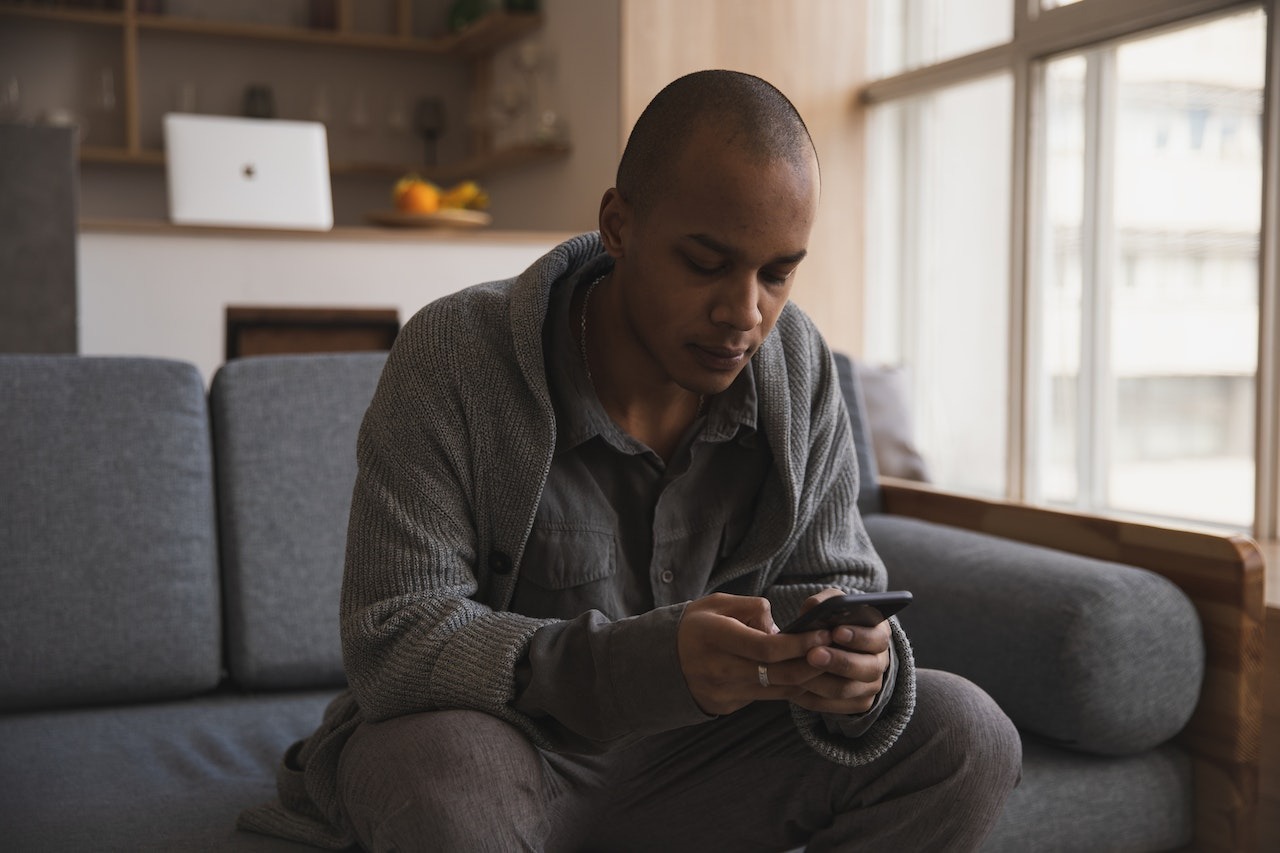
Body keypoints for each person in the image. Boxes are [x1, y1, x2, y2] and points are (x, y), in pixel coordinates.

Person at [240, 69, 1020, 852]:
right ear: (618, 225)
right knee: (444, 777)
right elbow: (395, 638)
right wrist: (635, 663)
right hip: (505, 752)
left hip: (700, 765)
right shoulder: (453, 356)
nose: (745, 314)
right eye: (706, 262)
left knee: (967, 734)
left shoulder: (797, 363)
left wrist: (853, 671)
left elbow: (832, 587)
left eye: (777, 272)